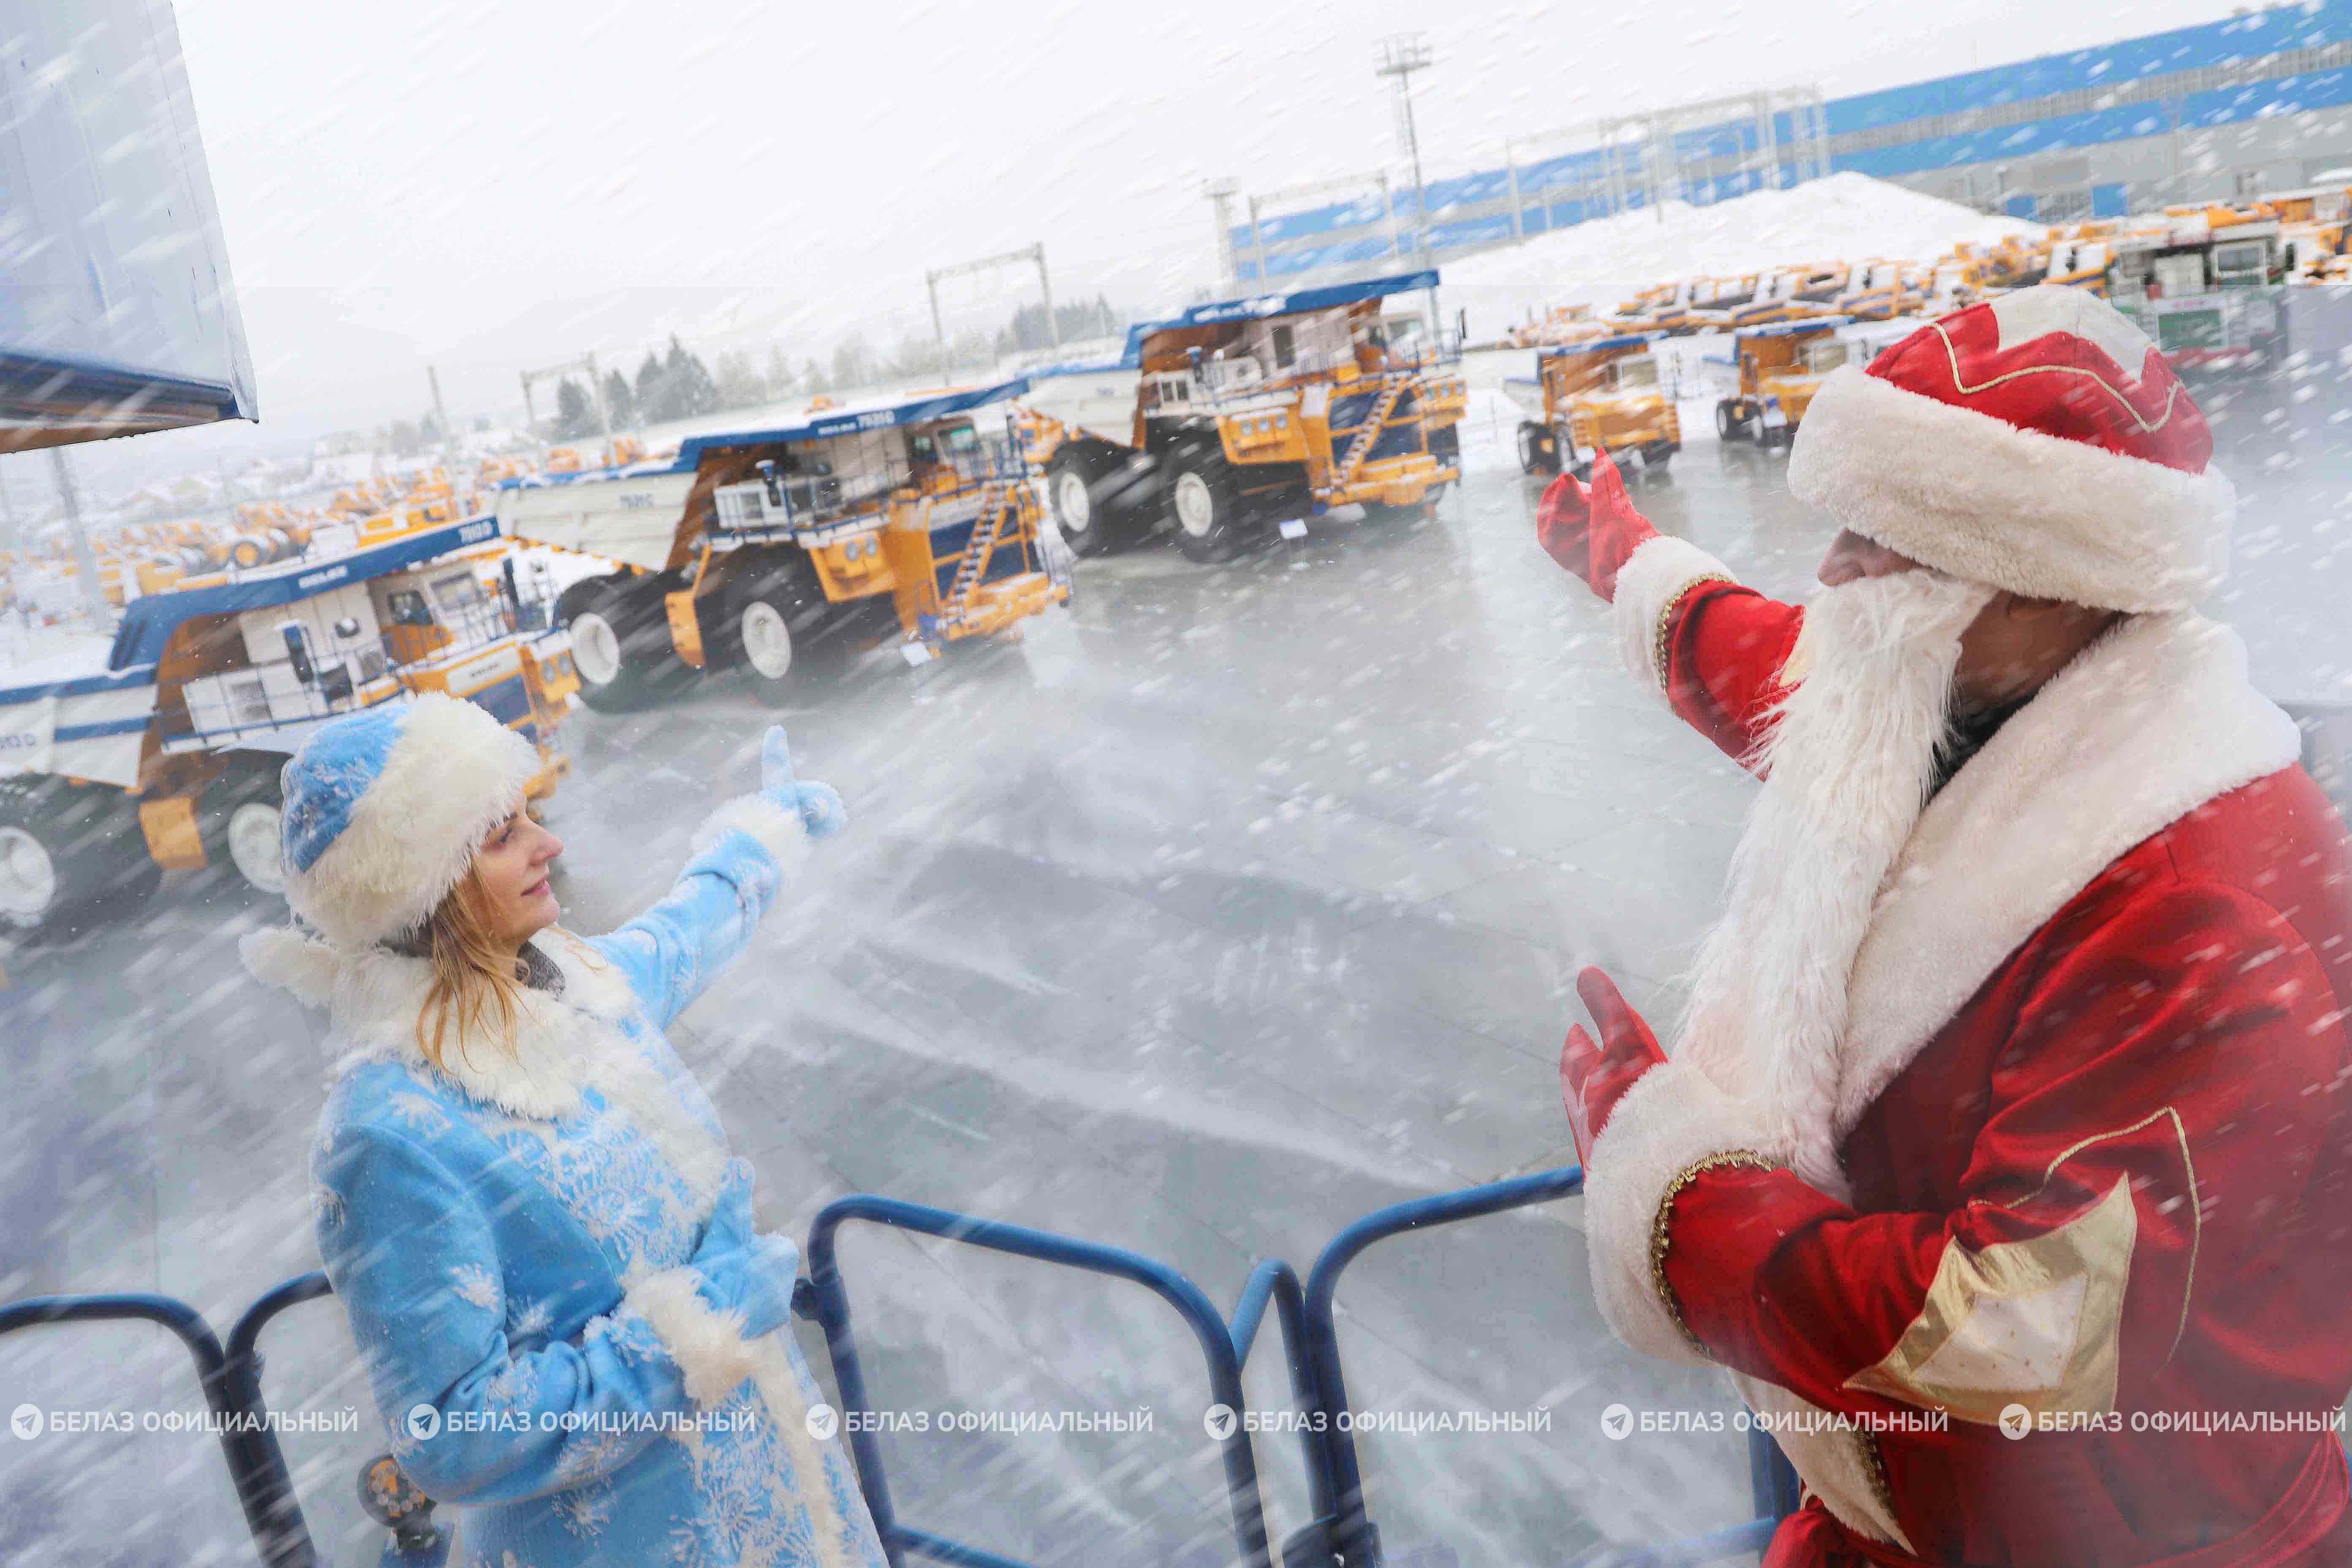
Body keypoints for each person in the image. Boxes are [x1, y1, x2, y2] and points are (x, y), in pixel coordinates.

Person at [1543, 286, 2352, 1566]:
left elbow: (2023, 1333)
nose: (1828, 573)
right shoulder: (2013, 691)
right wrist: (1622, 563)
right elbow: (1790, 679)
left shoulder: (2184, 905)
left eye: (1876, 539)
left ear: (2035, 575)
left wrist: (1670, 1191)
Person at [241, 693, 885, 1568]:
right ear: (427, 888)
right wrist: (703, 1318)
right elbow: (452, 1435)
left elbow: (680, 934)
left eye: (530, 816)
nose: (550, 845)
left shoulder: (571, 987)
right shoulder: (389, 1132)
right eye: (504, 834)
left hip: (784, 1496)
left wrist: (765, 837)